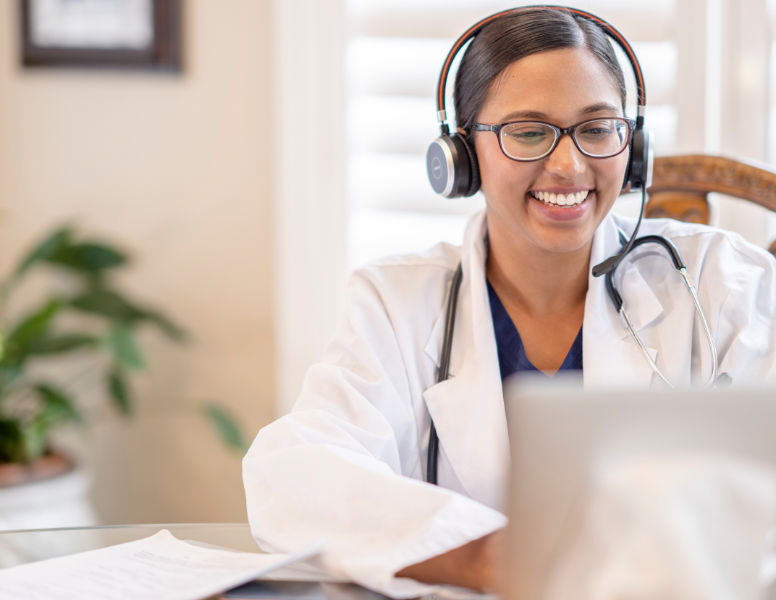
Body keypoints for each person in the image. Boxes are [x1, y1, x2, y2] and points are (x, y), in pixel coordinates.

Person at [243, 7, 776, 597]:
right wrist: (486, 557)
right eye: (528, 132)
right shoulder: (396, 302)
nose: (570, 165)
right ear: (460, 154)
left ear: (635, 144)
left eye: (597, 129)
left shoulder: (728, 282)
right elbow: (292, 474)